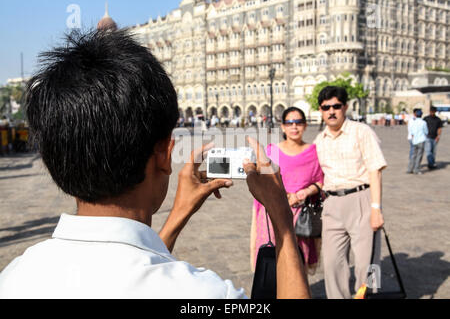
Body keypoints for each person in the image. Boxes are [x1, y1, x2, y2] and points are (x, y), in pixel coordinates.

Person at [0, 29, 310, 299]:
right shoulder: (209, 294)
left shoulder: (13, 279)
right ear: (164, 155)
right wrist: (281, 217)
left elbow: (131, 268)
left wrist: (178, 214)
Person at [313, 86, 387, 299]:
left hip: (361, 199)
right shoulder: (320, 140)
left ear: (345, 107)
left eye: (336, 106)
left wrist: (376, 208)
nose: (332, 111)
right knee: (332, 262)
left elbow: (375, 169)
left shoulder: (361, 131)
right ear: (321, 110)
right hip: (332, 204)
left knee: (369, 261)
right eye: (326, 107)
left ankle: (371, 295)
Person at [250, 107, 324, 276]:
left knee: (297, 262)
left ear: (305, 126)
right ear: (283, 127)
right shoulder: (271, 151)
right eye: (289, 123)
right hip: (272, 214)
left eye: (298, 122)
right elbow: (262, 181)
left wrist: (304, 193)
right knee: (272, 259)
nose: (294, 127)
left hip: (300, 215)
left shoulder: (313, 152)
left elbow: (320, 181)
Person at [407, 109, 428, 175]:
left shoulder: (414, 122)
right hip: (421, 140)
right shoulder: (423, 122)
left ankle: (410, 169)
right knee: (419, 156)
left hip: (414, 140)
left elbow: (411, 131)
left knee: (413, 155)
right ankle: (416, 169)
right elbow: (426, 131)